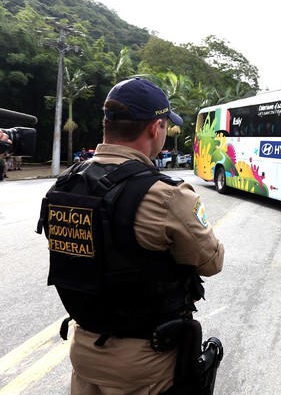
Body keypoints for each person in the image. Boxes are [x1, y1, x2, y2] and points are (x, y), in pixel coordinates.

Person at [37, 77, 225, 394]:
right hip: (145, 363)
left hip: (84, 350)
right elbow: (211, 261)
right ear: (155, 128)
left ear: (107, 124)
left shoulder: (66, 186)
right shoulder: (167, 195)